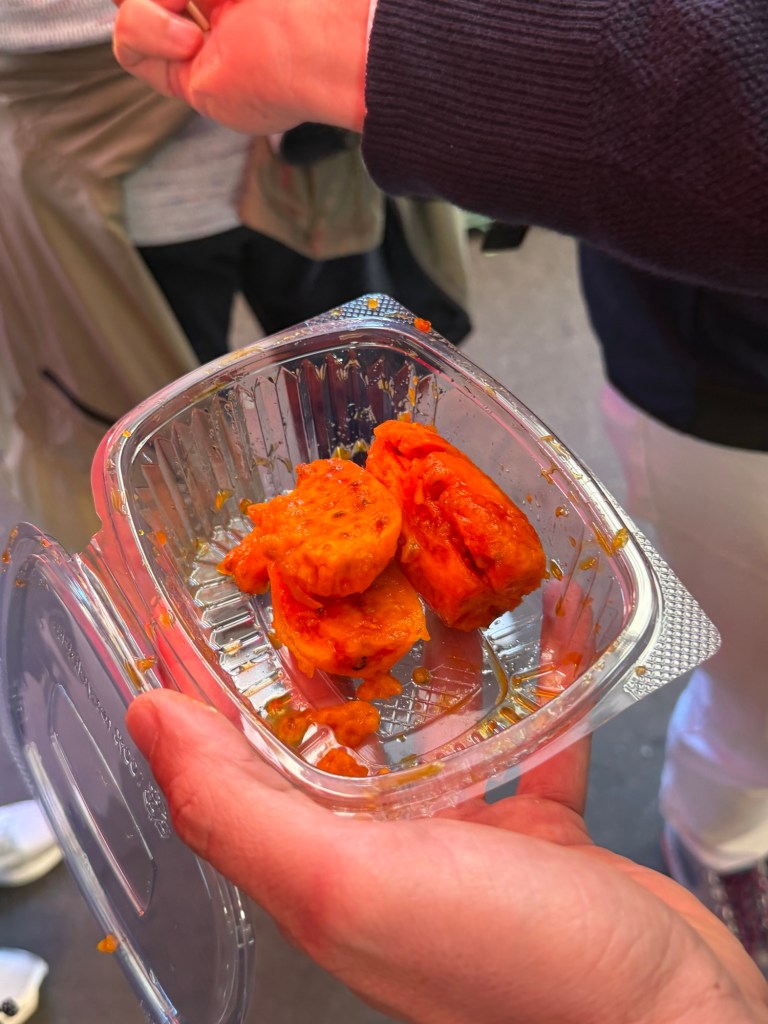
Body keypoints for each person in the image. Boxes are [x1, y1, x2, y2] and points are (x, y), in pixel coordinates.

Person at [110, 0, 768, 1012]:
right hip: (720, 362)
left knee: (747, 673)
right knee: (749, 674)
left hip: (704, 332)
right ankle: (720, 830)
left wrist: (358, 47)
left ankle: (720, 828)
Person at [0, 0, 470, 553]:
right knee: (165, 463)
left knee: (369, 407)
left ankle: (383, 555)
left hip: (314, 126)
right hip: (70, 120)